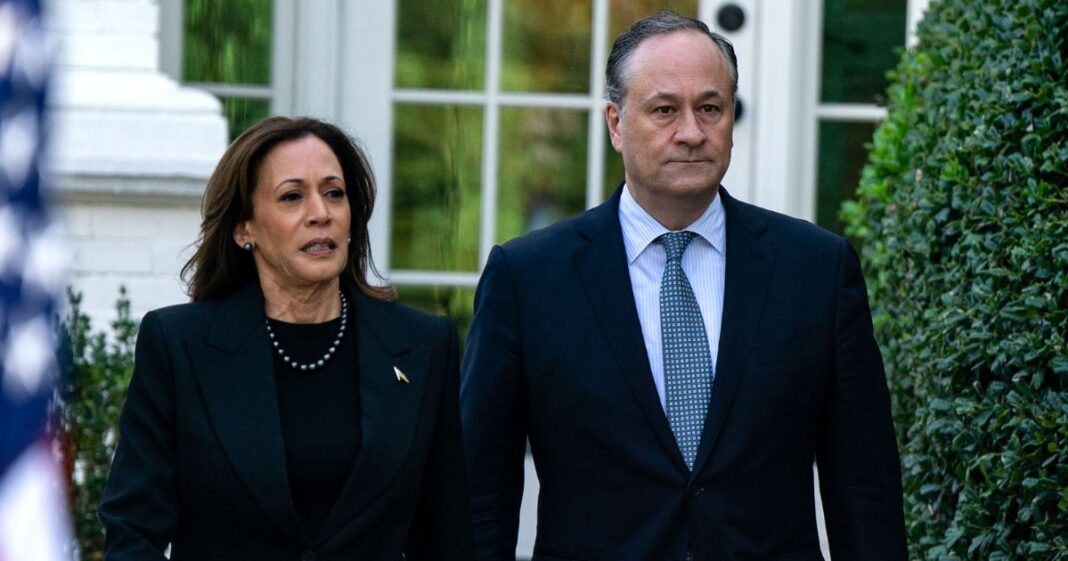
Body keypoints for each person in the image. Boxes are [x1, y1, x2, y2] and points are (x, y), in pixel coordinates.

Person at [461, 11, 907, 561]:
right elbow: (482, 494)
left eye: (710, 108)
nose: (692, 132)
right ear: (616, 124)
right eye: (665, 110)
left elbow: (865, 490)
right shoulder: (528, 279)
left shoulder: (816, 269)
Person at [99, 116, 473, 560]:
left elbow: (448, 536)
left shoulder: (424, 346)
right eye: (292, 197)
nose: (321, 213)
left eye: (334, 193)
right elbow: (132, 531)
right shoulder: (178, 346)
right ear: (245, 228)